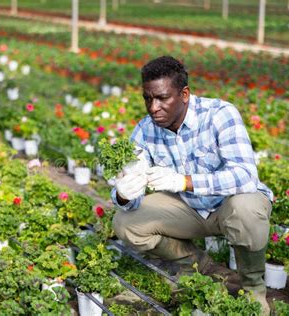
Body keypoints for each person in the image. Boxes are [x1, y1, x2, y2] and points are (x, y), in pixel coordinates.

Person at [111, 56, 273, 315]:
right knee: (126, 222)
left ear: (184, 94)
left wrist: (184, 181)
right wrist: (122, 194)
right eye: (148, 98)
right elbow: (127, 187)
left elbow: (245, 176)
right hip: (188, 210)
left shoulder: (220, 115)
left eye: (163, 98)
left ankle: (253, 287)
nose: (154, 107)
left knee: (247, 208)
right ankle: (199, 266)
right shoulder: (144, 131)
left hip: (227, 206)